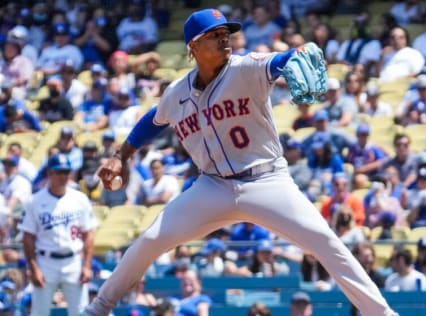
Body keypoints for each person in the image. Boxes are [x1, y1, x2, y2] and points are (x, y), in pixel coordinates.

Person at [85, 8, 398, 316]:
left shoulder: (244, 68)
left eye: (227, 34)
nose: (226, 40)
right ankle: (97, 309)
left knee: (325, 242)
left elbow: (278, 62)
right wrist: (120, 155)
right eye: (215, 35)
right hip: (212, 187)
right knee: (151, 239)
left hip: (266, 181)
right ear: (193, 46)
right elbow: (154, 120)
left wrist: (295, 55)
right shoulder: (177, 92)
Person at [18, 154, 98, 316]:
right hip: (45, 262)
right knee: (39, 312)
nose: (64, 176)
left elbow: (88, 234)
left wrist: (87, 265)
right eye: (59, 172)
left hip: (73, 260)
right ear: (49, 173)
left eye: (66, 172)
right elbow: (28, 237)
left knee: (81, 311)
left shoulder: (79, 198)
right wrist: (34, 268)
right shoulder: (35, 200)